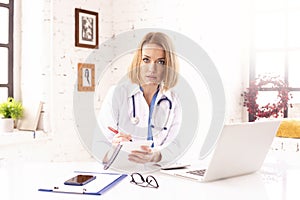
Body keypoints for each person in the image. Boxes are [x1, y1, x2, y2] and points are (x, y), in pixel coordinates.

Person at [98, 32, 182, 166]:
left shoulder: (173, 100)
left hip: (158, 175)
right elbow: (98, 147)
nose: (152, 69)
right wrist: (113, 149)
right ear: (138, 61)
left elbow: (176, 147)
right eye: (146, 60)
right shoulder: (117, 94)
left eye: (161, 62)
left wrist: (156, 156)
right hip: (123, 172)